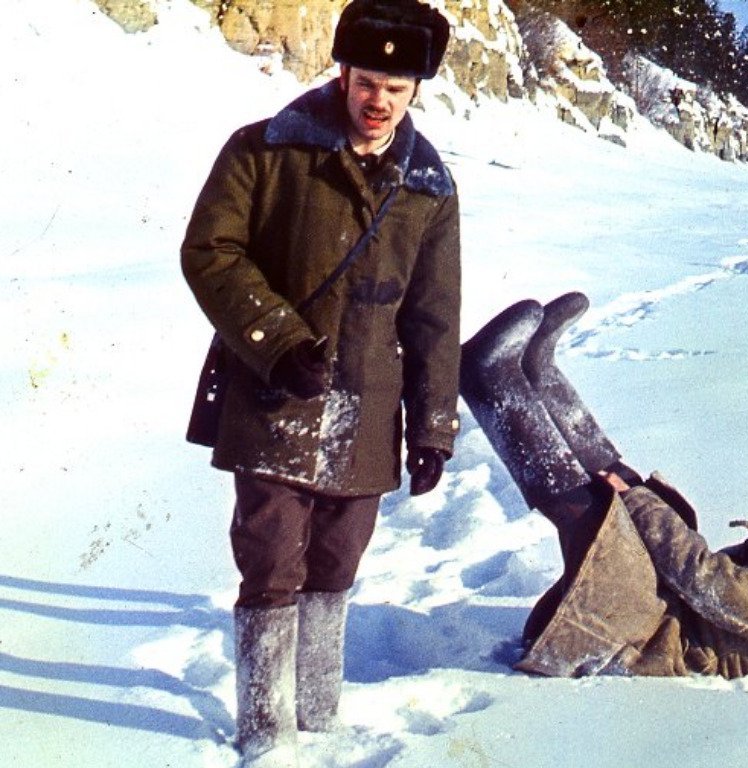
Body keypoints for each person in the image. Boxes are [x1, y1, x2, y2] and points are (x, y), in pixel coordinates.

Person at [180, 1, 458, 764]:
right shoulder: (265, 151)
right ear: (342, 73)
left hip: (368, 409)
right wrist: (276, 341)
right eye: (368, 81)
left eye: (396, 89)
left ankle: (318, 720)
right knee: (271, 560)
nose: (379, 102)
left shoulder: (430, 185)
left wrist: (433, 427)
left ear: (414, 92)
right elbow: (210, 251)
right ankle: (267, 735)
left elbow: (434, 315)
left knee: (338, 563)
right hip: (276, 394)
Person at [459, 293, 748, 681]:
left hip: (640, 640)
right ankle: (539, 376)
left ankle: (490, 384)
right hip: (657, 610)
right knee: (649, 499)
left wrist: (635, 500)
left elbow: (703, 577)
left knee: (601, 516)